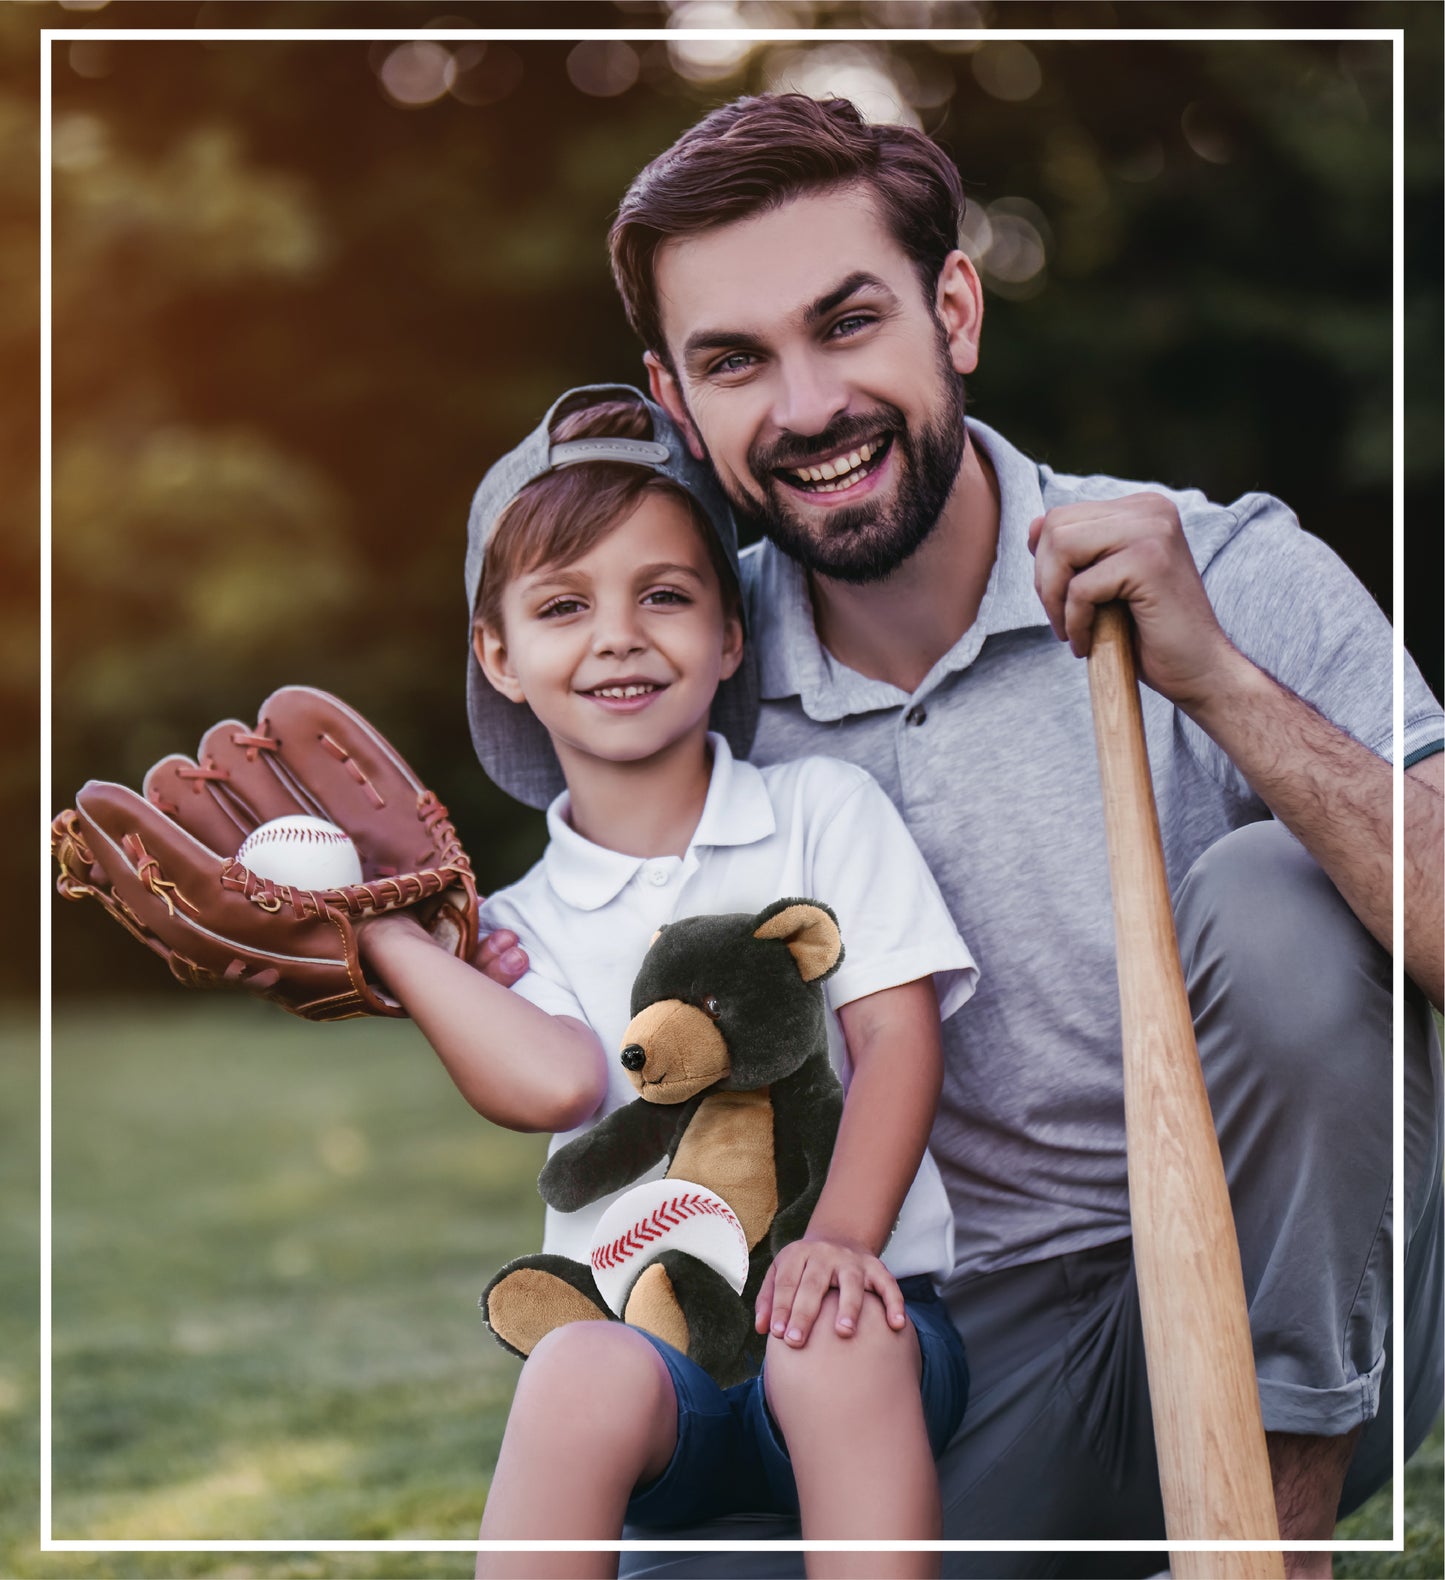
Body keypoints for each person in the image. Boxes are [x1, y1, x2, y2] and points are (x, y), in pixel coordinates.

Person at [479, 94, 1443, 1579]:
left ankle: (1265, 1554)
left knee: (1277, 897)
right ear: (676, 403)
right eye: (737, 362)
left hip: (1282, 1300)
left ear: (954, 307)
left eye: (847, 323)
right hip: (923, 1348)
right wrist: (379, 942)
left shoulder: (1225, 567)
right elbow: (550, 934)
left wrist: (1219, 682)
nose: (804, 408)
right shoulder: (684, 665)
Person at [362, 384, 977, 1580]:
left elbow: (899, 1042)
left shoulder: (817, 814)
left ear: (730, 631)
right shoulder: (514, 925)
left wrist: (838, 1238)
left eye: (664, 594)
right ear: (498, 653)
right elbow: (553, 1084)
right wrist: (393, 940)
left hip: (866, 1328)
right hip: (663, 1374)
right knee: (576, 1365)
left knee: (830, 1332)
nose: (617, 635)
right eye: (559, 605)